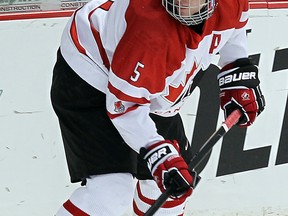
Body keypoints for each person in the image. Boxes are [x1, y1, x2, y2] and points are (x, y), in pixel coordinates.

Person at [50, 0, 265, 215]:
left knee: (173, 189)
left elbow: (233, 29)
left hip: (145, 86)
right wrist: (158, 154)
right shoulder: (149, 31)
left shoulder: (231, 3)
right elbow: (124, 107)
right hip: (90, 72)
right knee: (111, 191)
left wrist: (236, 70)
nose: (183, 1)